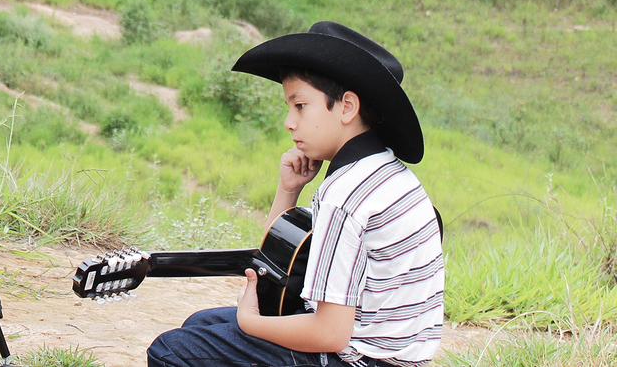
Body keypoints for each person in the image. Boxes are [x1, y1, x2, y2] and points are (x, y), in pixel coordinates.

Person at [148, 22, 444, 367]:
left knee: (170, 351)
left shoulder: (345, 196)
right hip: (392, 357)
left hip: (357, 359)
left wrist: (251, 323)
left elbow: (330, 334)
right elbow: (280, 268)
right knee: (203, 324)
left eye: (300, 106)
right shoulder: (385, 173)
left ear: (347, 107)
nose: (290, 122)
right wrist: (289, 190)